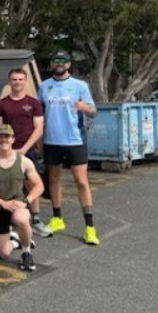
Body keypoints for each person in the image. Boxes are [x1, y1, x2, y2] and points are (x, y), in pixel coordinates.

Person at [38, 50, 99, 245]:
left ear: (69, 64)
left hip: (75, 140)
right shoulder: (44, 86)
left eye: (63, 60)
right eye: (56, 60)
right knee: (54, 179)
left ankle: (89, 228)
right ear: (51, 64)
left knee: (82, 182)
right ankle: (57, 219)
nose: (59, 63)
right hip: (51, 141)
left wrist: (85, 108)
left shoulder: (80, 86)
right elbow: (38, 114)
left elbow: (93, 112)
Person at [0, 68, 52, 238]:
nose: (17, 82)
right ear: (9, 81)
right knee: (7, 184)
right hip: (6, 151)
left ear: (25, 81)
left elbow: (39, 128)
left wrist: (24, 149)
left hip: (28, 150)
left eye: (20, 79)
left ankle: (36, 220)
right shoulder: (1, 104)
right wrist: (7, 148)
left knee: (31, 184)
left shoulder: (33, 103)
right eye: (14, 79)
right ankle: (8, 223)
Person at [0, 124, 44, 271]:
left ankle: (26, 252)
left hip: (17, 204)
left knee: (22, 218)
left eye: (7, 136)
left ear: (13, 139)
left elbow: (39, 186)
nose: (3, 140)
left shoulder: (24, 161)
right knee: (3, 254)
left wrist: (26, 201)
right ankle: (16, 241)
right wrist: (1, 203)